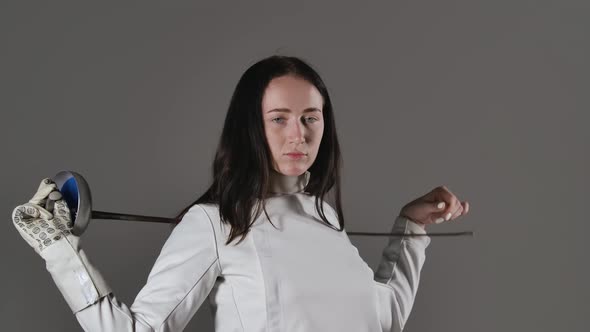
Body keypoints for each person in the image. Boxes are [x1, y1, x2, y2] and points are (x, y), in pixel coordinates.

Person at [12, 55, 470, 332]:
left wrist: (411, 227)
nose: (299, 135)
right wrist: (59, 250)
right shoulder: (216, 223)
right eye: (279, 118)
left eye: (311, 117)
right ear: (251, 125)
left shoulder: (324, 217)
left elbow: (382, 320)